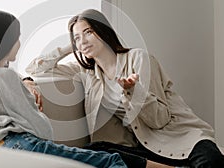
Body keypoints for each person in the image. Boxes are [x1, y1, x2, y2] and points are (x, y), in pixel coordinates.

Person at [26, 9, 224, 168]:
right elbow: (36, 67)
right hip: (144, 148)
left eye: (88, 32)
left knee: (211, 161)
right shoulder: (86, 73)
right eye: (77, 37)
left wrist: (133, 92)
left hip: (179, 137)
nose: (83, 41)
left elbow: (159, 119)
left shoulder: (139, 58)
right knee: (95, 150)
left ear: (103, 31)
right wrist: (72, 46)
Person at [0, 10, 128, 168]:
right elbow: (43, 131)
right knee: (112, 160)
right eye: (17, 38)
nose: (19, 44)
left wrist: (26, 81)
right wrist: (36, 109)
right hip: (20, 146)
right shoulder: (3, 76)